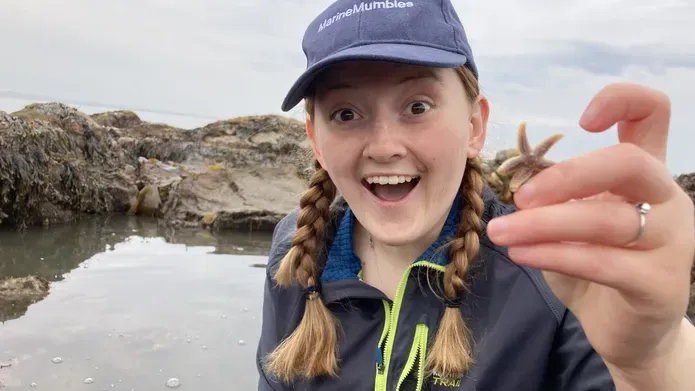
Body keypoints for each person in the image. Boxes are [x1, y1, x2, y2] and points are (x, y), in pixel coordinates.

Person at [256, 0, 695, 390]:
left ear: (474, 126)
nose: (385, 146)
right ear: (316, 139)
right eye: (346, 113)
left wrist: (652, 361)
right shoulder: (295, 254)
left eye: (417, 107)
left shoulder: (557, 275)